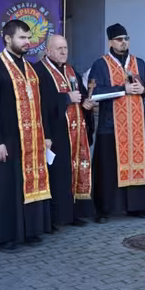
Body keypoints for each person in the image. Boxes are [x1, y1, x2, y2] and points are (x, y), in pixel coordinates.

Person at [0, 20, 52, 250]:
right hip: (7, 139)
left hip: (32, 139)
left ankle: (29, 230)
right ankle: (7, 235)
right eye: (22, 37)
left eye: (28, 38)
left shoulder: (30, 68)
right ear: (7, 38)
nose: (27, 42)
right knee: (7, 188)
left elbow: (40, 105)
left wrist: (46, 135)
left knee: (29, 183)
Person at [89, 24, 145, 223]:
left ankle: (137, 207)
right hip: (110, 127)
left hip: (135, 128)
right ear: (110, 42)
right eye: (119, 39)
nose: (123, 42)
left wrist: (144, 89)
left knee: (137, 166)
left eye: (126, 38)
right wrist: (123, 89)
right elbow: (95, 93)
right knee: (108, 170)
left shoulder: (139, 63)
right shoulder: (100, 64)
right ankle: (104, 210)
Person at [34, 35, 96, 229]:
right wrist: (66, 98)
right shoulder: (39, 71)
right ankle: (53, 218)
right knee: (57, 176)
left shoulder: (71, 70)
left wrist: (85, 103)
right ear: (48, 50)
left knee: (73, 172)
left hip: (76, 134)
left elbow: (81, 95)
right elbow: (40, 103)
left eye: (65, 48)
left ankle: (72, 214)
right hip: (56, 133)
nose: (63, 52)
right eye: (59, 48)